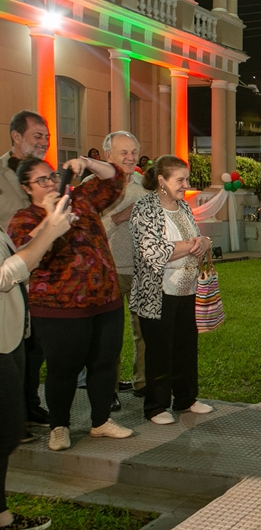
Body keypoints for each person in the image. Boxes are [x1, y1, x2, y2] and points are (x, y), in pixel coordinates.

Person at [8, 156, 134, 451]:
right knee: (63, 369)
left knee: (104, 363)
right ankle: (59, 426)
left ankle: (101, 421)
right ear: (27, 188)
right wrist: (51, 219)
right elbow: (25, 256)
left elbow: (114, 180)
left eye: (52, 176)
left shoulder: (80, 199)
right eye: (41, 180)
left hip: (104, 299)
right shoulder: (25, 218)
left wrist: (86, 162)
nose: (51, 182)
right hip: (59, 308)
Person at [1, 194, 71, 530]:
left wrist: (48, 226)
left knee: (7, 433)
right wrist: (49, 233)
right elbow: (4, 276)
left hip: (9, 336)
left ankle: (2, 516)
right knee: (5, 432)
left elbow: (16, 257)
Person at [129, 156, 214, 425]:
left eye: (186, 179)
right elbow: (152, 253)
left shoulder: (183, 208)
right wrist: (191, 245)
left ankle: (186, 399)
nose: (186, 185)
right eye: (181, 180)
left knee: (186, 348)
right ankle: (156, 407)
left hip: (188, 290)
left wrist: (204, 241)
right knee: (159, 351)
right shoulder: (144, 208)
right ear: (162, 181)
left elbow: (197, 238)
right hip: (157, 294)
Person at [84, 131, 150, 410]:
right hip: (106, 271)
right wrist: (122, 216)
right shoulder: (91, 186)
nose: (130, 157)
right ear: (107, 155)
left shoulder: (144, 185)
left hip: (141, 269)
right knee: (107, 338)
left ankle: (143, 383)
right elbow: (86, 231)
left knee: (144, 332)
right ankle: (106, 390)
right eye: (123, 152)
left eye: (133, 151)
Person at [0, 111, 52, 435]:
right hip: (9, 272)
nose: (44, 143)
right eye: (37, 136)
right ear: (16, 137)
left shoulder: (45, 174)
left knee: (36, 347)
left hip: (42, 275)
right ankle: (12, 414)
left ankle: (28, 405)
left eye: (46, 137)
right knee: (12, 345)